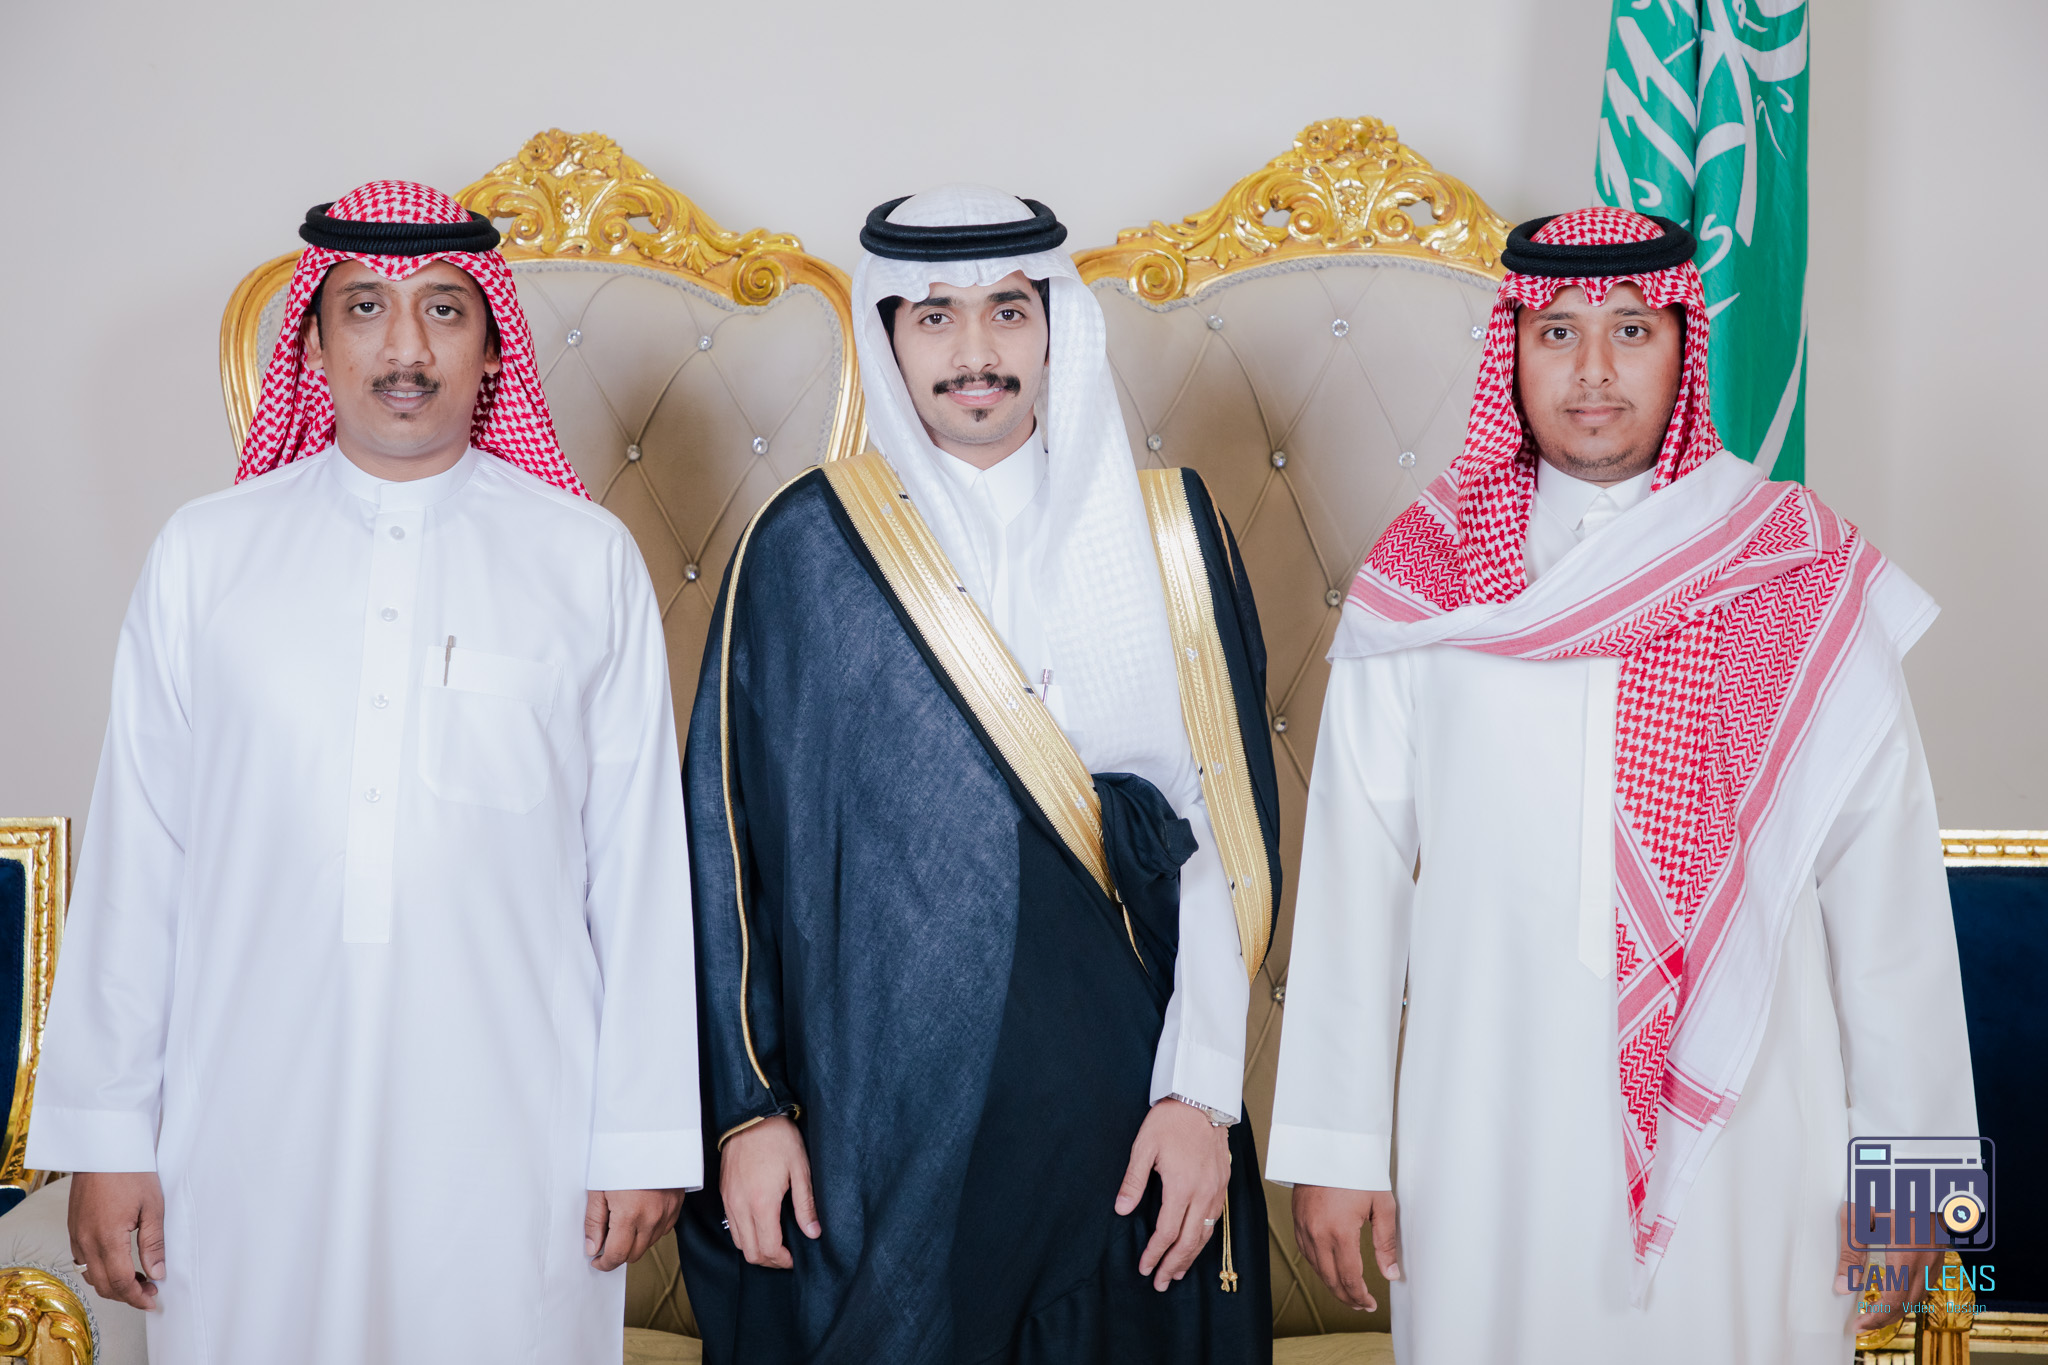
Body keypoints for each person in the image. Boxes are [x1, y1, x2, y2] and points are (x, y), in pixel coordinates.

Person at [1268, 208, 1976, 1364]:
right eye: (1556, 331)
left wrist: (1912, 1180)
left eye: (1630, 330)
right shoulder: (1421, 581)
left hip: (1756, 1144)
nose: (1591, 370)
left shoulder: (1795, 570)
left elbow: (1886, 894)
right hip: (1487, 1131)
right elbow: (1354, 879)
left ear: (1682, 347)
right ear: (1510, 350)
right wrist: (1338, 1149)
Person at [29, 182, 701, 1365]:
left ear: (491, 346)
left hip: (512, 1134)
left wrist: (641, 1136)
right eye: (364, 309)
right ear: (312, 342)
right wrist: (107, 1136)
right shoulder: (206, 557)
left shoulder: (581, 561)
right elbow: (142, 862)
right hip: (241, 1128)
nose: (404, 349)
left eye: (443, 309)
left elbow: (638, 870)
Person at [676, 186, 1279, 1363]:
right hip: (876, 1143)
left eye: (1007, 310)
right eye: (934, 317)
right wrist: (748, 1114)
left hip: (1129, 1138)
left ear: (1055, 327)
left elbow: (1223, 839)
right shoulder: (805, 548)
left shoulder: (1168, 534)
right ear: (887, 336)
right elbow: (727, 846)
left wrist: (1200, 1097)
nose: (974, 352)